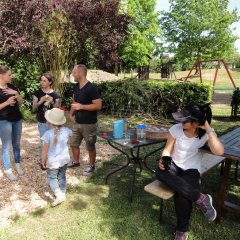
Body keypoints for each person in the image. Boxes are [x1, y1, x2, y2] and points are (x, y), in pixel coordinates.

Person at [155, 103, 224, 240]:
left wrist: (208, 128)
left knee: (182, 195)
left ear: (196, 123)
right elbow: (168, 149)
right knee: (159, 172)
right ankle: (200, 198)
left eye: (185, 120)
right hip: (174, 165)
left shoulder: (205, 135)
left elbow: (219, 151)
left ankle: (181, 231)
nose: (180, 122)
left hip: (191, 170)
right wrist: (165, 159)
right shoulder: (176, 129)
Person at [69, 64, 102, 173]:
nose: (72, 74)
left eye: (74, 72)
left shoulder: (92, 88)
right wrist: (71, 114)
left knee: (90, 146)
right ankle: (75, 161)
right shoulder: (76, 87)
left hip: (89, 124)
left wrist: (82, 106)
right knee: (73, 143)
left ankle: (92, 165)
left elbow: (98, 105)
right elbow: (74, 102)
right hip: (77, 122)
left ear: (80, 73)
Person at [41, 108, 72, 207]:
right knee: (62, 175)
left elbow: (44, 151)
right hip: (64, 159)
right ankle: (62, 192)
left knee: (52, 177)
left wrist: (43, 161)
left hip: (53, 162)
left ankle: (59, 195)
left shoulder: (47, 134)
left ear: (50, 121)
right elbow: (69, 143)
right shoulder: (67, 131)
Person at [0, 65, 24, 180]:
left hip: (17, 119)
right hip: (4, 121)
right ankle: (8, 170)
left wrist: (15, 93)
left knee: (17, 144)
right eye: (9, 75)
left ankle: (17, 164)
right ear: (2, 75)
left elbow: (21, 102)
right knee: (6, 146)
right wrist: (7, 102)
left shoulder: (11, 86)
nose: (11, 76)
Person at [32, 72, 60, 166]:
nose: (42, 82)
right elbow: (34, 108)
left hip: (53, 122)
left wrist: (52, 101)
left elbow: (58, 108)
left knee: (53, 141)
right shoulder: (37, 93)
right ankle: (42, 160)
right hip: (42, 121)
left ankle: (52, 160)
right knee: (43, 141)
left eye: (44, 80)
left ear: (50, 82)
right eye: (41, 80)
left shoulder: (56, 95)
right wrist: (41, 101)